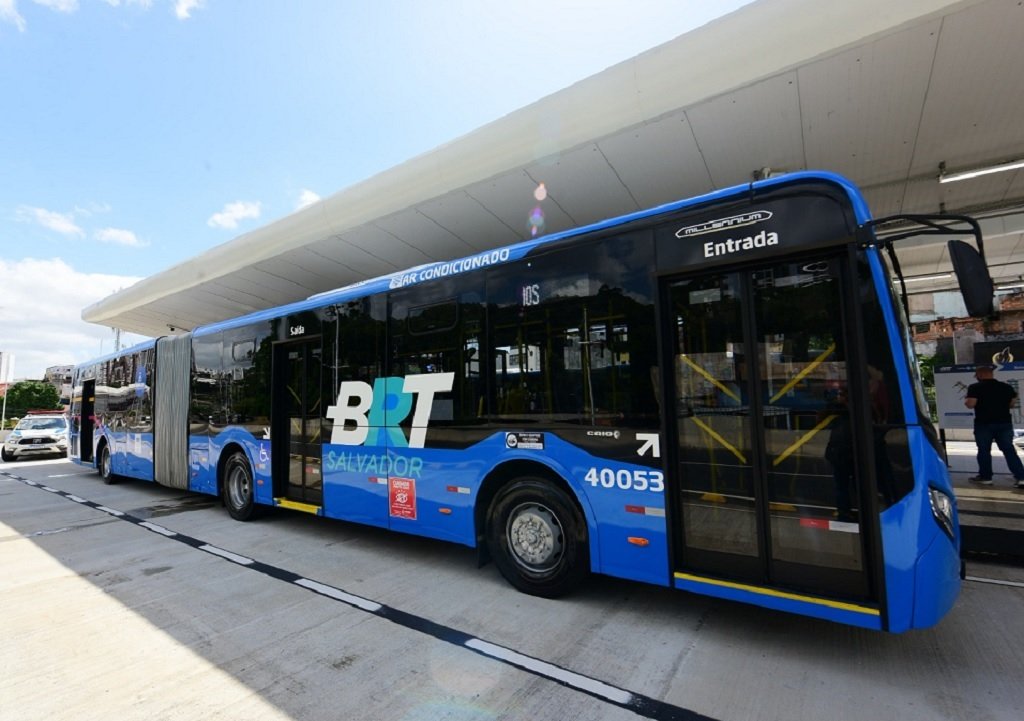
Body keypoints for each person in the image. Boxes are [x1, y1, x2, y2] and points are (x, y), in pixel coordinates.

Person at [964, 364, 1024, 487]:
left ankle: (986, 477)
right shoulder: (1006, 387)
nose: (976, 377)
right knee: (1009, 450)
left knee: (984, 450)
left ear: (980, 375)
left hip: (984, 424)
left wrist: (966, 399)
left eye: (976, 375)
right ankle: (1021, 477)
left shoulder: (975, 387)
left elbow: (970, 404)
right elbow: (1012, 405)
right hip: (1004, 423)